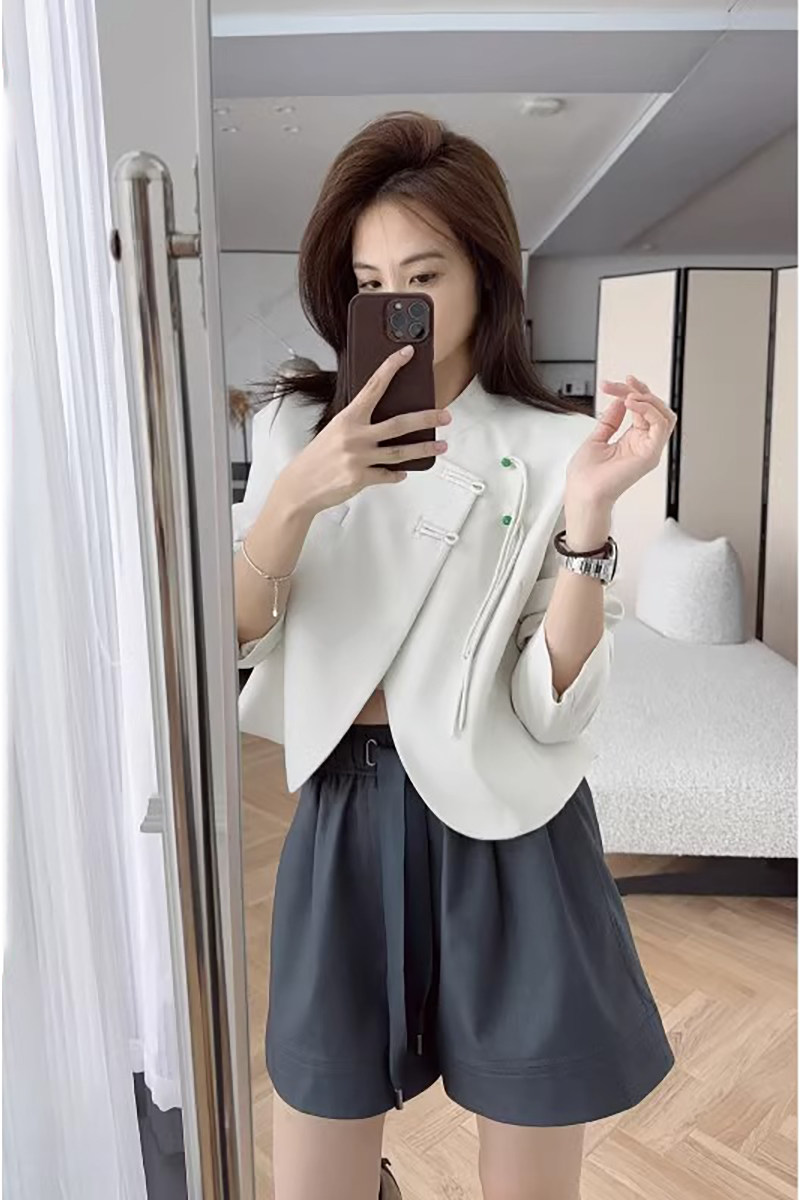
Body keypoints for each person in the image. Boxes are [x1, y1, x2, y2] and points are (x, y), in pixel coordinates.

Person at [233, 111, 677, 1200]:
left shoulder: (553, 444)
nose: (397, 303)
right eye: (369, 280)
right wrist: (295, 498)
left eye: (424, 275)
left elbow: (552, 705)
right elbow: (237, 633)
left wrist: (587, 525)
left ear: (486, 273)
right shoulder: (293, 428)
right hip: (344, 811)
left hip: (511, 821)